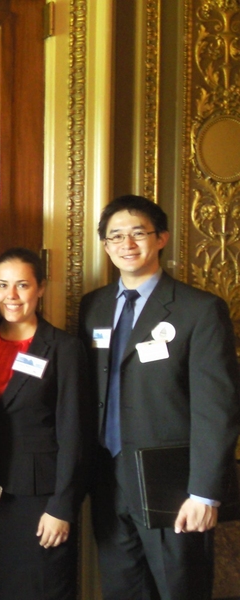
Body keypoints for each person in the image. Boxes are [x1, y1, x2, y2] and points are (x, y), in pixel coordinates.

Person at [79, 194, 240, 600]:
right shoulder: (93, 307)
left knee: (180, 590)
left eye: (138, 233)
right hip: (109, 479)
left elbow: (216, 411)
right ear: (105, 245)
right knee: (122, 590)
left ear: (162, 238)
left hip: (173, 486)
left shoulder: (199, 310)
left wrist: (204, 492)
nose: (126, 244)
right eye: (115, 236)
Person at [0, 248, 88, 600]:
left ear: (41, 288)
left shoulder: (63, 348)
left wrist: (62, 507)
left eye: (22, 285)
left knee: (43, 586)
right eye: (3, 285)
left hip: (41, 498)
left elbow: (74, 433)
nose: (12, 295)